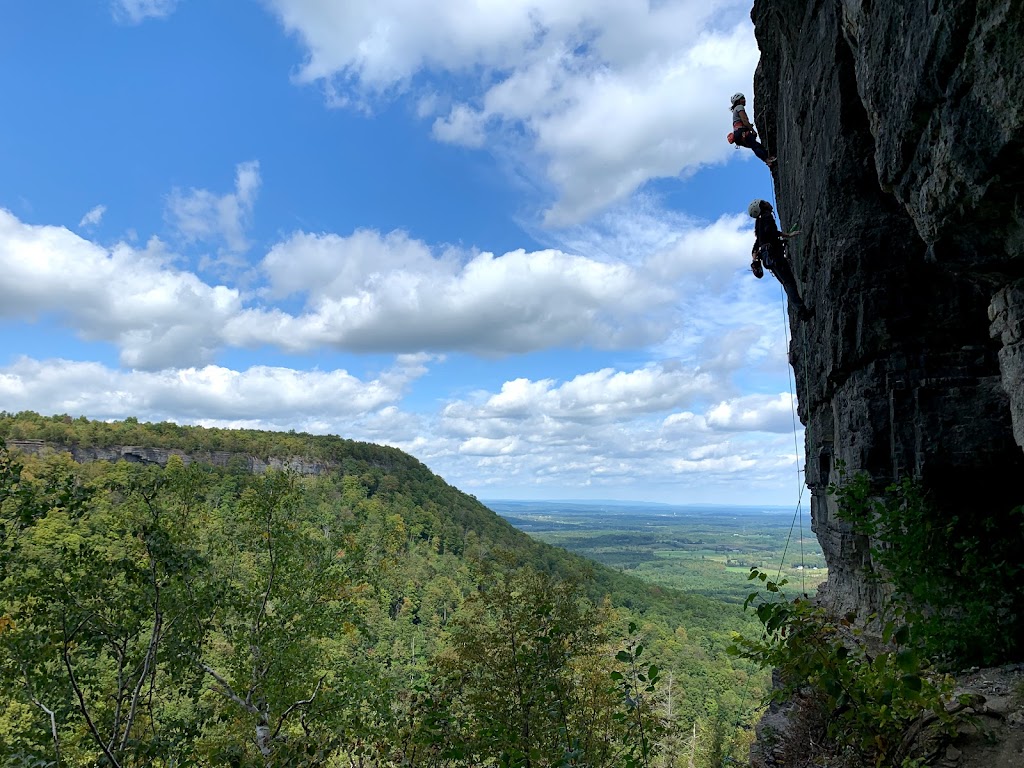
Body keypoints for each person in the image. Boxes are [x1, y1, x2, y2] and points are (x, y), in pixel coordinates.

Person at [749, 198, 812, 320]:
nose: (768, 203)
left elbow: (755, 247)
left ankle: (800, 310)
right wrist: (787, 235)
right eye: (765, 202)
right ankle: (802, 311)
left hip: (768, 260)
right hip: (775, 256)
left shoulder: (759, 225)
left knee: (786, 283)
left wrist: (755, 260)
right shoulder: (766, 216)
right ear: (761, 207)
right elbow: (771, 232)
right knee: (789, 282)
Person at [730, 93, 775, 166]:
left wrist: (748, 127)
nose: (744, 100)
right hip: (742, 133)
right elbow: (744, 121)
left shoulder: (735, 110)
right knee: (755, 146)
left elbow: (741, 123)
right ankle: (768, 159)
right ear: (738, 101)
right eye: (742, 98)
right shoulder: (739, 107)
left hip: (738, 135)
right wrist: (752, 130)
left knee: (756, 146)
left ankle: (768, 158)